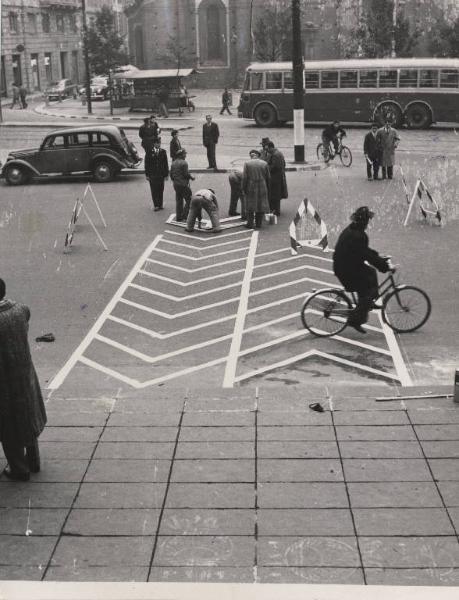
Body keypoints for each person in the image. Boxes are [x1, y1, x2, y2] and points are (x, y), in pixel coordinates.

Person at [0, 279, 47, 481]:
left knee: (8, 423)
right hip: (24, 370)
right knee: (27, 415)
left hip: (4, 379)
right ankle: (34, 461)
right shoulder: (21, 309)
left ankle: (19, 468)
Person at [333, 207, 390, 333]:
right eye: (367, 220)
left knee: (370, 272)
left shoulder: (351, 230)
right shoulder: (359, 236)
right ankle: (355, 320)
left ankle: (370, 301)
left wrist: (378, 257)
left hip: (344, 265)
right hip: (347, 270)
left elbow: (364, 251)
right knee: (367, 292)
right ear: (364, 222)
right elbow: (366, 255)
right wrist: (384, 266)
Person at [242, 149, 271, 230]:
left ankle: (250, 224)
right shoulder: (264, 163)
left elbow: (245, 177)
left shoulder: (247, 163)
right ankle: (258, 223)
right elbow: (268, 177)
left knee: (250, 205)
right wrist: (267, 187)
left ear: (251, 156)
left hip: (251, 185)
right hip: (262, 184)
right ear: (258, 155)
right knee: (260, 204)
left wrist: (243, 187)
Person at [170, 148, 195, 222]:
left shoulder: (173, 163)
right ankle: (185, 215)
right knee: (189, 200)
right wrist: (191, 177)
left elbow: (171, 175)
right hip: (183, 185)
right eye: (185, 154)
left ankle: (179, 217)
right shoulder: (184, 163)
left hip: (176, 184)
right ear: (181, 155)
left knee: (179, 201)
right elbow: (186, 174)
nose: (185, 155)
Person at [144, 138, 169, 211]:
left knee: (161, 189)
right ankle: (156, 205)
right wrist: (147, 175)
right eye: (157, 143)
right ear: (154, 144)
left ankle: (160, 204)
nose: (159, 144)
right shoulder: (149, 152)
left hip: (161, 175)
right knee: (154, 190)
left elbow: (165, 164)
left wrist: (166, 174)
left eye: (159, 143)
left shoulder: (163, 152)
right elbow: (146, 164)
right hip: (152, 175)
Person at [266, 141, 288, 216]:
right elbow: (284, 164)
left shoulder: (275, 155)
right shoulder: (279, 153)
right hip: (279, 176)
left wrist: (266, 168)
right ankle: (275, 210)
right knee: (276, 194)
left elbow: (274, 167)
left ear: (271, 147)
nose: (267, 150)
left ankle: (275, 211)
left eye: (267, 148)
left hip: (275, 178)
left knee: (274, 195)